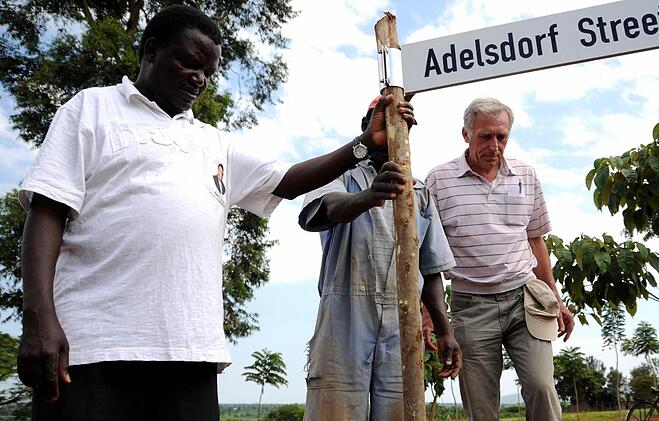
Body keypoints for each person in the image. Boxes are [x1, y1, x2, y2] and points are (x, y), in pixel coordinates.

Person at [16, 5, 415, 420]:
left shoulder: (213, 142)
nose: (199, 79)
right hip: (93, 349)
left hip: (190, 354)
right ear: (151, 51)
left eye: (207, 71)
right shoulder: (90, 110)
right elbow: (46, 212)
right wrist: (38, 318)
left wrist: (364, 144)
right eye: (189, 63)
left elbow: (290, 180)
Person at [298, 99, 462, 421]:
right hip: (344, 316)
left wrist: (445, 330)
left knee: (401, 411)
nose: (394, 136)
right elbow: (318, 213)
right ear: (367, 126)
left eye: (403, 129)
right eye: (386, 127)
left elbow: (429, 270)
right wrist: (369, 197)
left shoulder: (419, 192)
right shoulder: (341, 175)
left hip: (403, 324)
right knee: (335, 412)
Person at [425, 97, 574, 421]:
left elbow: (535, 240)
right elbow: (428, 253)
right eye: (485, 136)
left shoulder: (526, 174)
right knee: (481, 407)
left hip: (525, 300)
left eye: (501, 136)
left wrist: (556, 299)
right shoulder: (439, 180)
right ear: (466, 134)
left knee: (542, 388)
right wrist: (429, 316)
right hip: (471, 305)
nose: (495, 145)